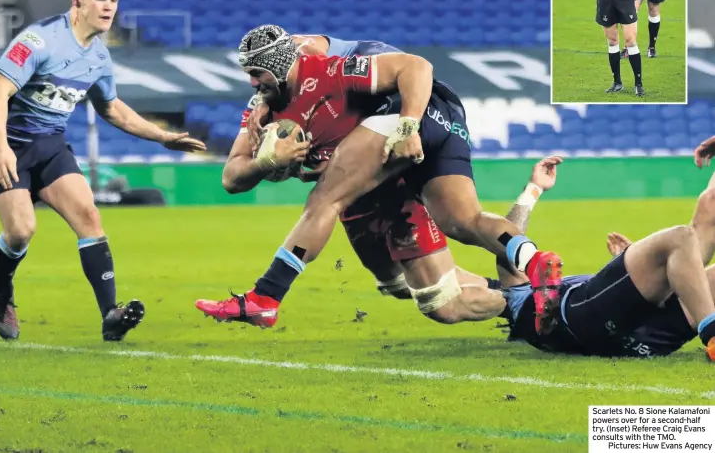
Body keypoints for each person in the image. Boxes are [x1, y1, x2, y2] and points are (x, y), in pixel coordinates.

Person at [195, 25, 558, 329]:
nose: (250, 82)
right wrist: (267, 163)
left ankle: (266, 296)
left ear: (281, 62)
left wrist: (408, 125)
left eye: (256, 73)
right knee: (446, 257)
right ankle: (528, 277)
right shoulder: (260, 108)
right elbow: (232, 177)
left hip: (416, 109)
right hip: (436, 128)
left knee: (325, 199)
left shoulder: (326, 69)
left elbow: (416, 66)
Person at [0, 0, 206, 342]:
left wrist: (163, 136)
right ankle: (0, 294)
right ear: (77, 0)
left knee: (90, 217)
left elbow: (112, 108)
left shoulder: (98, 57)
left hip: (50, 147)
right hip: (9, 144)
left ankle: (111, 315)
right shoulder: (39, 41)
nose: (108, 7)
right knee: (20, 232)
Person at [500, 160, 715, 362]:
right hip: (581, 319)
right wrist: (533, 188)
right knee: (680, 238)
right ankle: (712, 335)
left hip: (640, 336)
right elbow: (505, 239)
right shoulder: (515, 291)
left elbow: (508, 241)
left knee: (710, 203)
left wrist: (640, 263)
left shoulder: (524, 274)